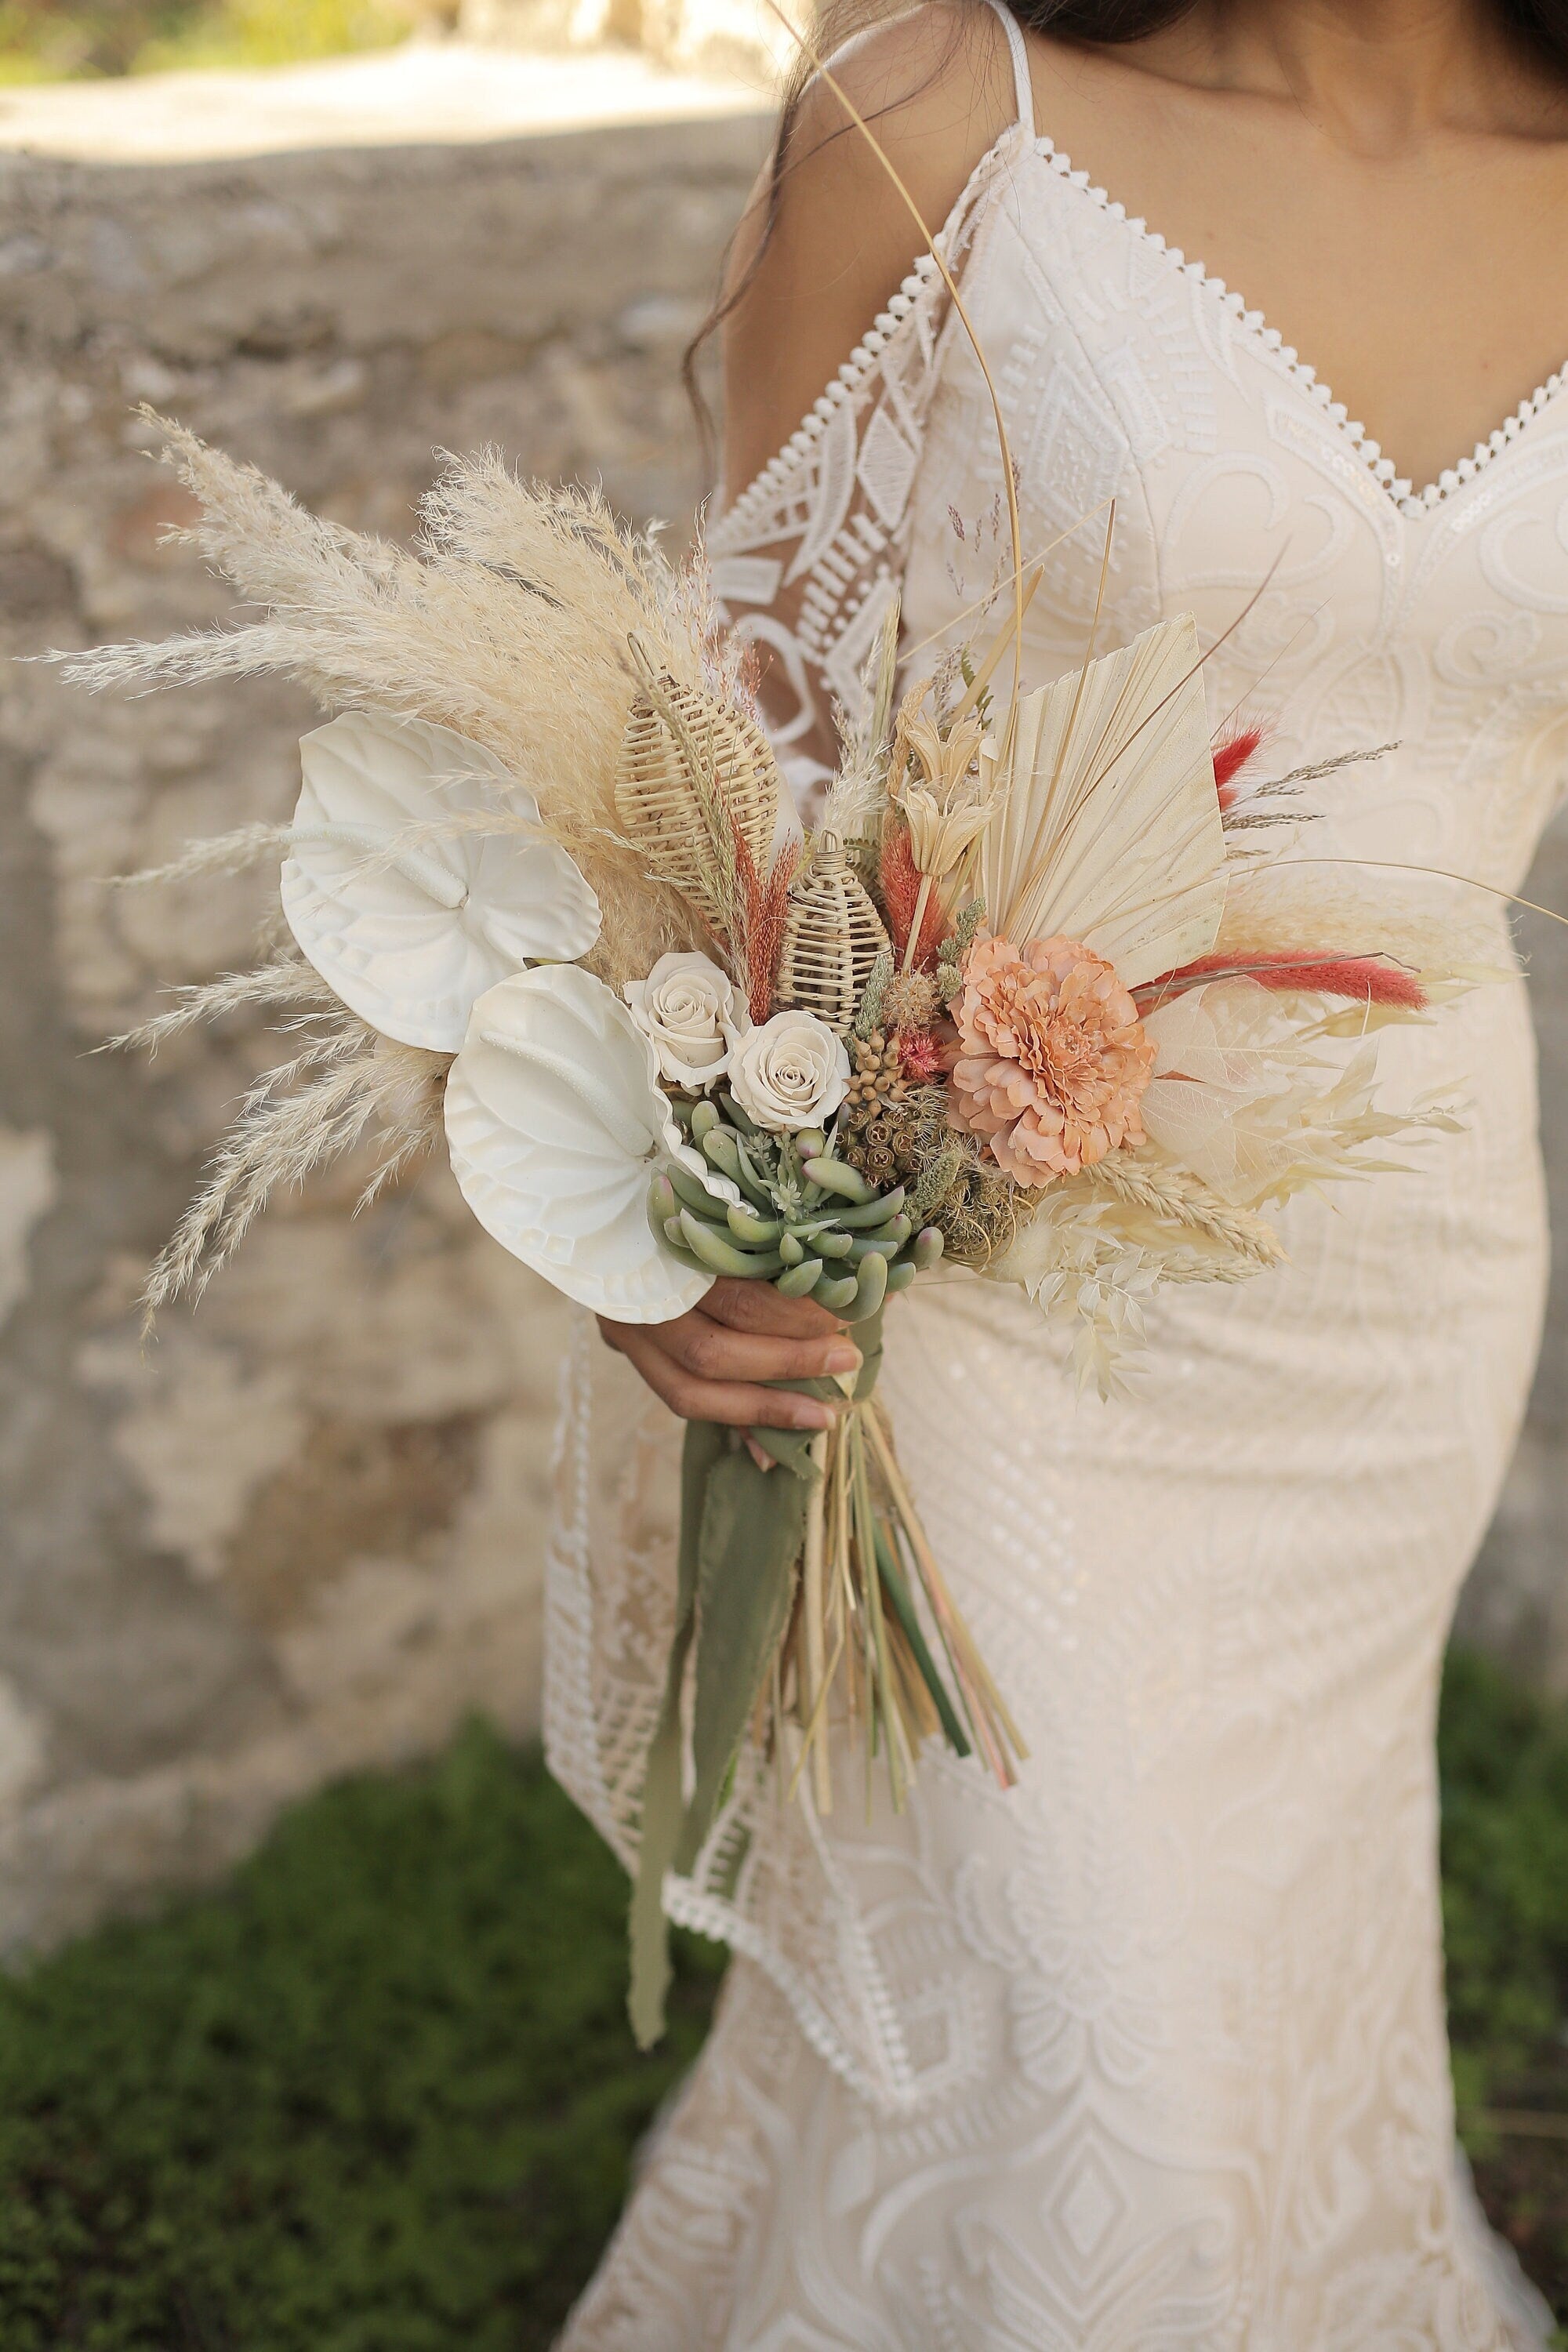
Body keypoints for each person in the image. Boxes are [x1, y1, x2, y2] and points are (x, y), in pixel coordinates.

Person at [557, 2, 1568, 2340]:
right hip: (999, 1259)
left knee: (1265, 1970)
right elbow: (734, 755)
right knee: (1087, 2026)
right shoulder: (938, 120)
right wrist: (657, 1202)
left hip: (1396, 1289)